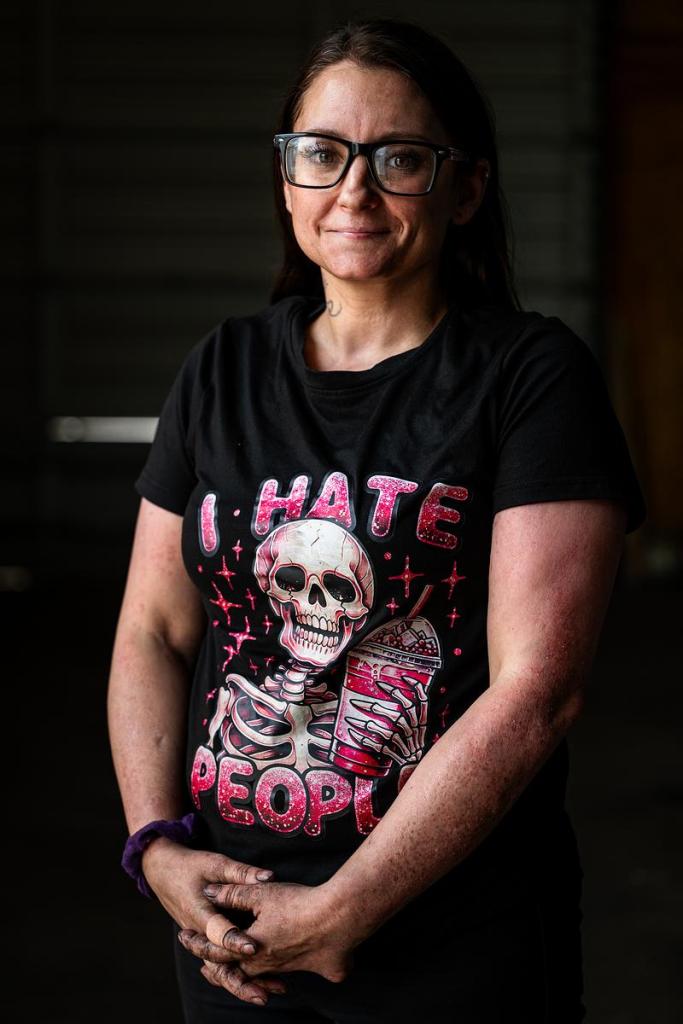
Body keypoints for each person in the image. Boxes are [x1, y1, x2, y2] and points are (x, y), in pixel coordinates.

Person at [107, 17, 647, 1024]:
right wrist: (158, 845)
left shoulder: (529, 380)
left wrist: (340, 911)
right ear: (285, 178)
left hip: (450, 943)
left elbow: (535, 694)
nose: (351, 190)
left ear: (466, 188)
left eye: (396, 158)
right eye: (322, 153)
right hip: (231, 932)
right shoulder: (219, 371)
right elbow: (153, 629)